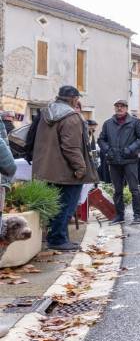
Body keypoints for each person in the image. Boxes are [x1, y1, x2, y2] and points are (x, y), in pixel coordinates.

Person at [31, 86, 98, 251]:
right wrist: (80, 168)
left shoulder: (45, 113)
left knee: (54, 205)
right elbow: (71, 147)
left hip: (45, 169)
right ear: (74, 99)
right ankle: (58, 239)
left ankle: (55, 237)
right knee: (66, 205)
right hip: (65, 171)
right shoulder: (72, 117)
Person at [98, 99, 140, 225]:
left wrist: (130, 149)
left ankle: (137, 216)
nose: (119, 108)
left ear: (126, 108)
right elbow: (101, 139)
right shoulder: (108, 123)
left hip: (130, 160)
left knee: (134, 189)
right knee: (117, 190)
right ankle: (119, 215)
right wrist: (107, 151)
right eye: (117, 106)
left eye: (122, 106)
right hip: (114, 161)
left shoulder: (136, 122)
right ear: (114, 108)